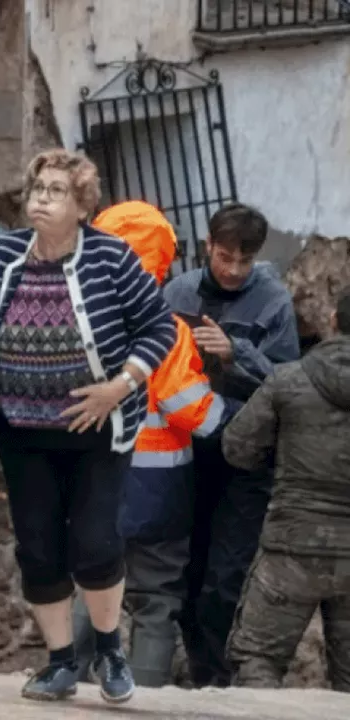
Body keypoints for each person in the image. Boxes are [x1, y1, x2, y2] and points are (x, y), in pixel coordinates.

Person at [0, 149, 177, 704]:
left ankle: (109, 651)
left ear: (82, 205)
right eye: (37, 190)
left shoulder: (112, 259)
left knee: (96, 543)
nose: (42, 199)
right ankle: (59, 663)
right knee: (38, 547)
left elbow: (158, 328)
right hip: (23, 431)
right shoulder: (2, 255)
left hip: (97, 428)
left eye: (56, 191)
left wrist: (119, 386)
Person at [71, 201, 233, 688]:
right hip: (158, 491)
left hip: (91, 486)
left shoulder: (74, 323)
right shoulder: (169, 330)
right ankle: (144, 699)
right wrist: (244, 420)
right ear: (160, 260)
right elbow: (195, 413)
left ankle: (68, 682)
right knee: (155, 600)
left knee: (90, 586)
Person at [162, 203, 301, 687]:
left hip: (246, 458)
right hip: (185, 452)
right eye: (225, 258)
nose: (234, 270)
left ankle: (219, 679)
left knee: (227, 577)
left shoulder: (273, 302)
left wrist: (234, 352)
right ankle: (196, 668)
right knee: (186, 567)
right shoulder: (177, 291)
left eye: (244, 261)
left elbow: (287, 382)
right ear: (207, 247)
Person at [224, 288, 350, 691]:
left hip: (291, 547)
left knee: (257, 659)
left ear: (333, 321)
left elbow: (237, 448)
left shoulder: (289, 379)